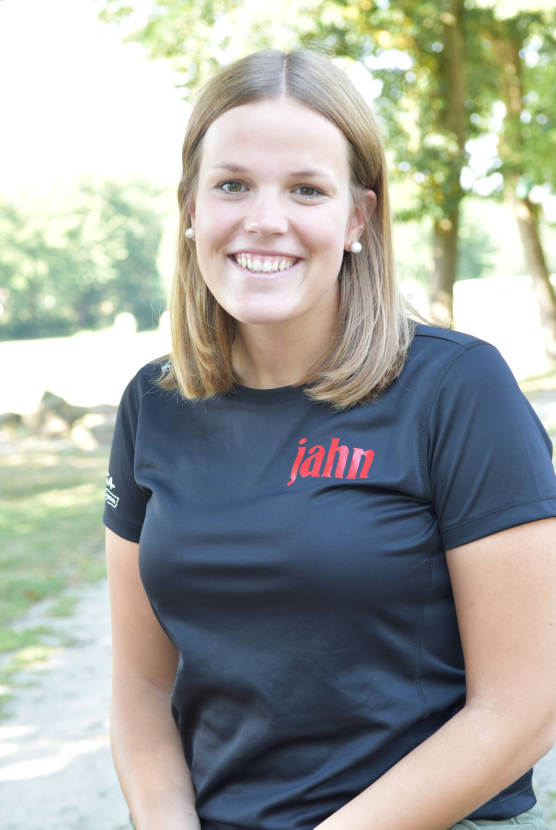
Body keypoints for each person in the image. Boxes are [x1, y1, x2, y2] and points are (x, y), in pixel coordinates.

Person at [103, 49, 556, 830]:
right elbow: (140, 690)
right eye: (232, 184)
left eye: (306, 189)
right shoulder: (154, 403)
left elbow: (523, 706)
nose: (264, 218)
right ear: (189, 208)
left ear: (357, 218)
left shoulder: (458, 388)